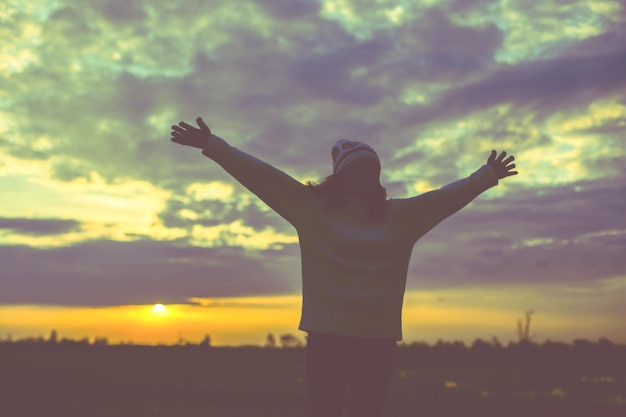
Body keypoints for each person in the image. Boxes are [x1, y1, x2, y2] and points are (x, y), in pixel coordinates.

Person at [170, 117, 518, 417]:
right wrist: (212, 145)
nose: (368, 177)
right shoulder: (312, 210)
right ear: (342, 176)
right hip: (327, 340)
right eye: (360, 170)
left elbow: (444, 198)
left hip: (377, 340)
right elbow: (263, 177)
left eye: (373, 171)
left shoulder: (400, 218)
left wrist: (486, 175)